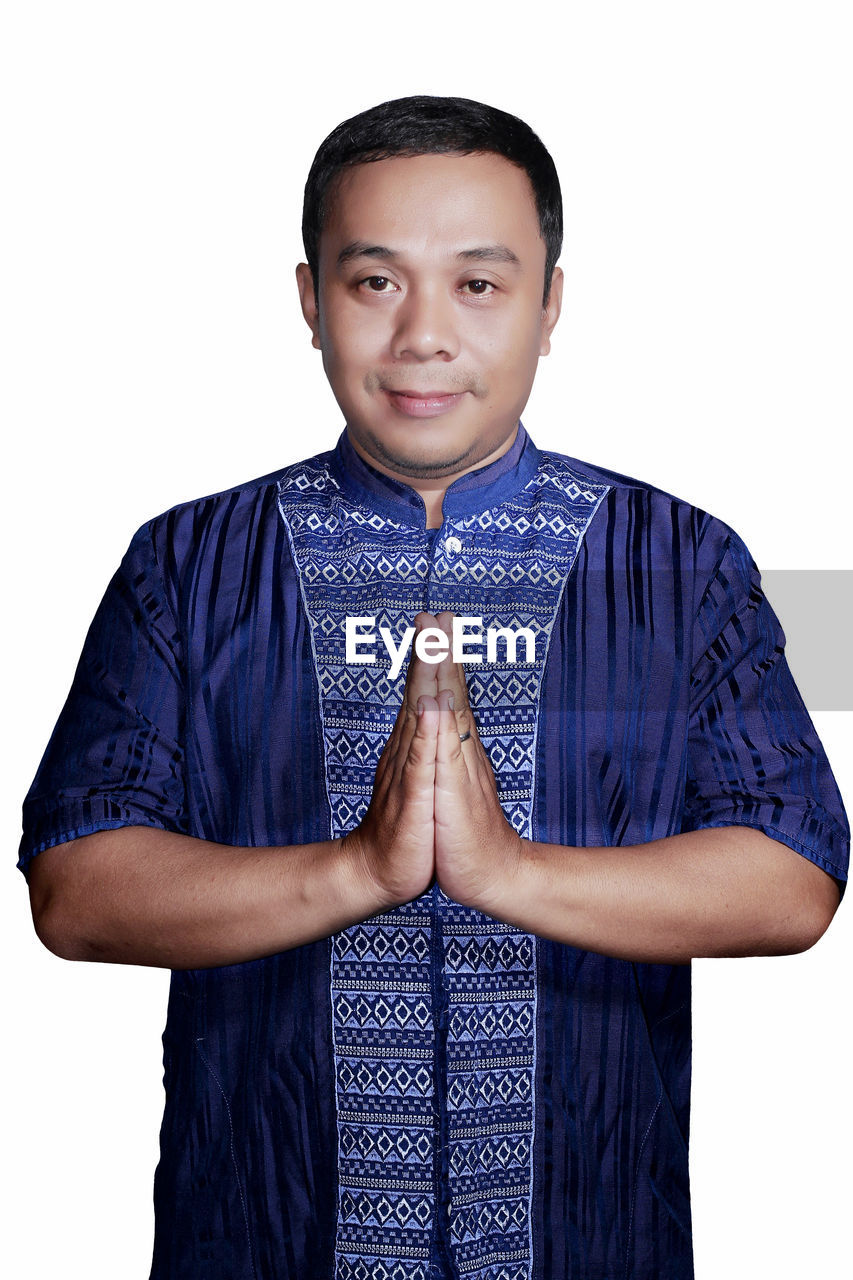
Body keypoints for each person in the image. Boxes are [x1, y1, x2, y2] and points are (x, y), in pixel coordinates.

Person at [19, 95, 848, 1280]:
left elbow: (795, 875)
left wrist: (505, 870)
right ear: (310, 299)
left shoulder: (678, 562)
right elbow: (77, 885)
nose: (422, 336)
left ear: (550, 303)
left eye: (478, 284)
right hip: (262, 1238)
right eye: (374, 283)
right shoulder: (188, 564)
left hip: (588, 1242)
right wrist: (359, 867)